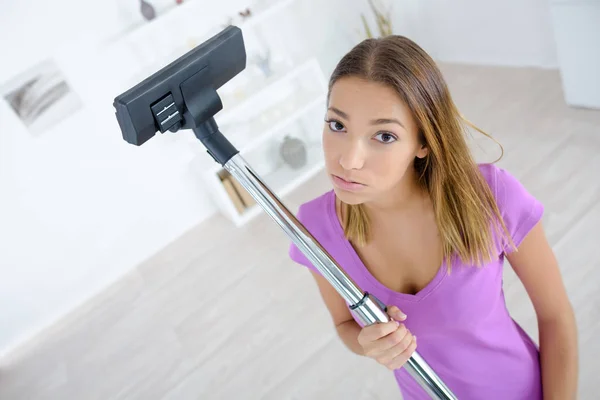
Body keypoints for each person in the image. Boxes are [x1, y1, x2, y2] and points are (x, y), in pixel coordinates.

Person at [287, 35, 578, 399]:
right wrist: (367, 342)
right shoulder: (314, 230)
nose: (348, 160)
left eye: (383, 135)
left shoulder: (491, 196)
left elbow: (556, 318)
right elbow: (346, 325)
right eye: (337, 125)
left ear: (423, 142)